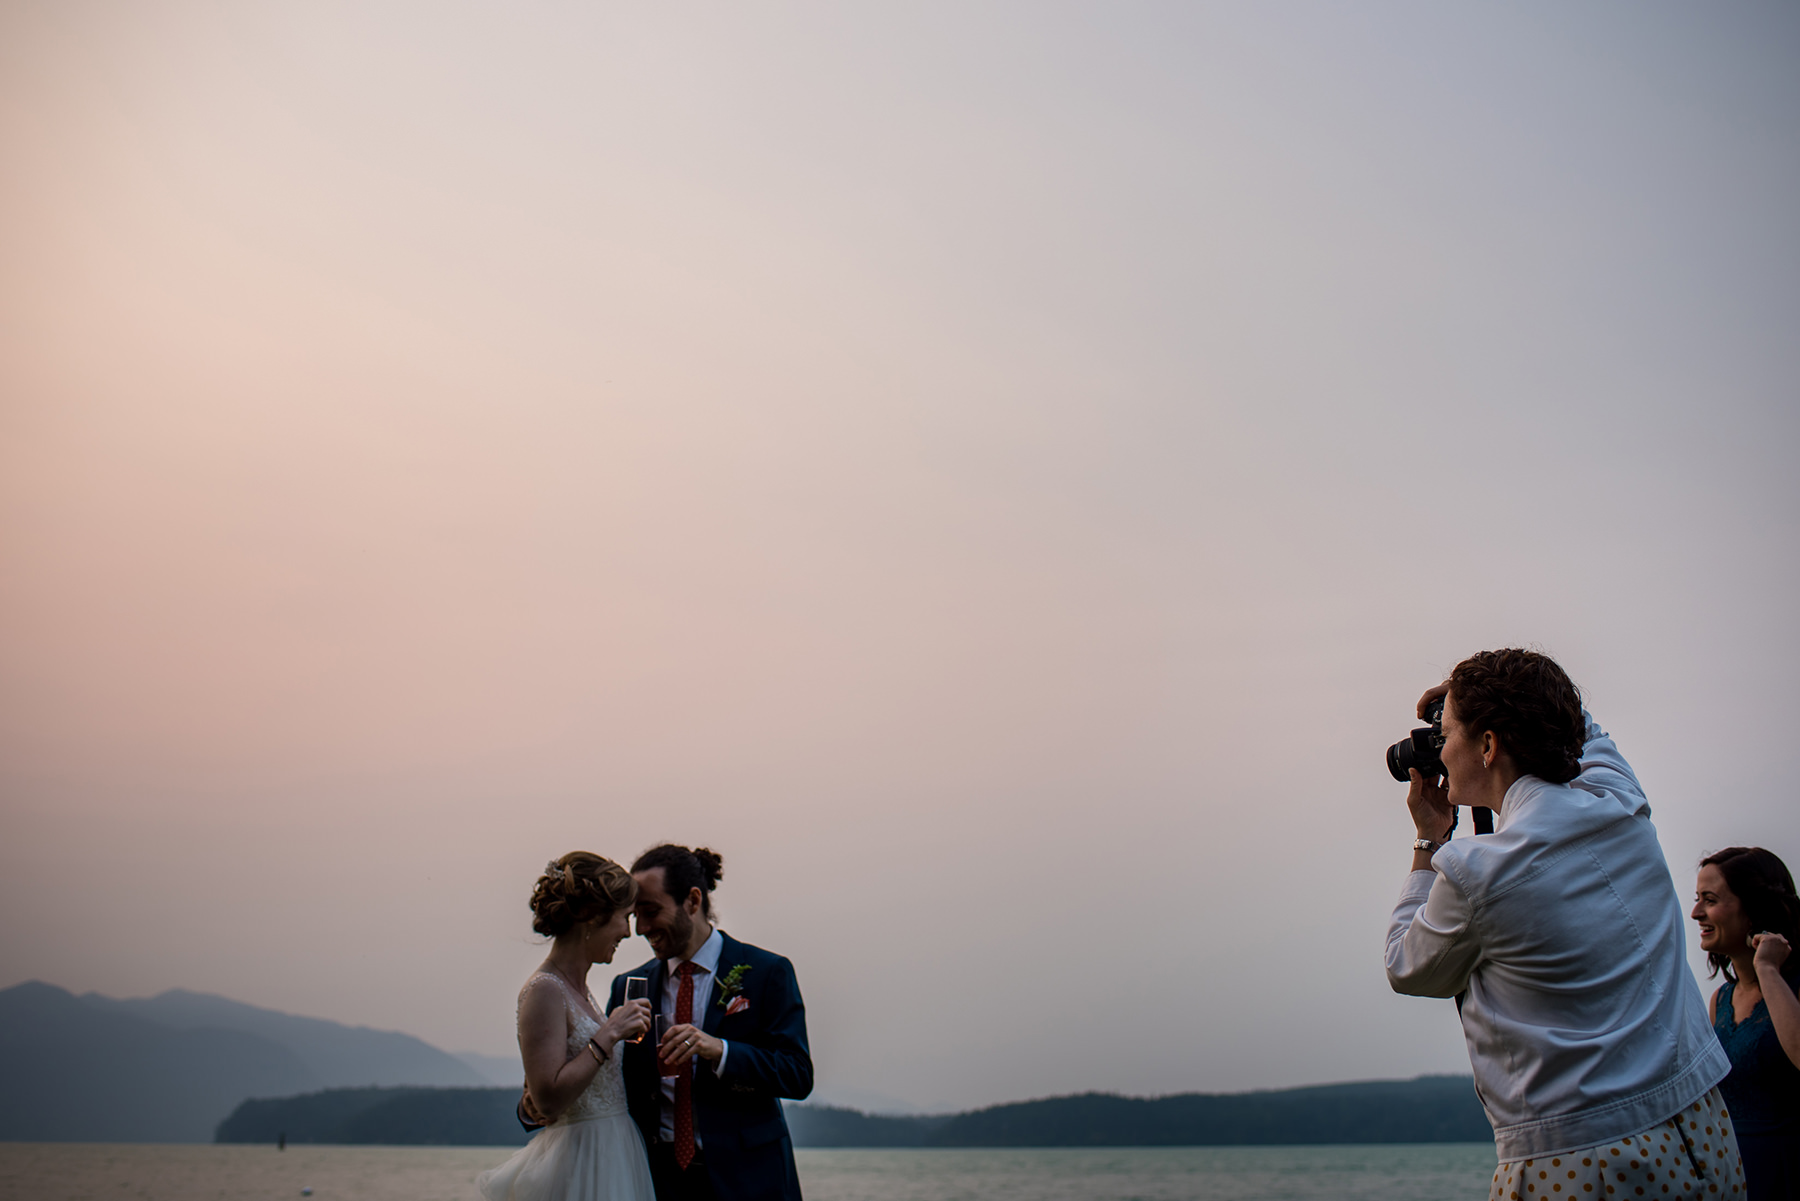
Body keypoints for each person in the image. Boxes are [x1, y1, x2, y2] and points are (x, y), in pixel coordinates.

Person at [1385, 649, 1743, 1201]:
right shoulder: (1618, 798)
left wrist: (1430, 840)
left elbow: (1408, 968)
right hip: (1702, 1124)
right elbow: (1584, 727)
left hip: (1584, 1157)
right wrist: (1469, 692)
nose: (1440, 746)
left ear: (1488, 745)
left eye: (1448, 731)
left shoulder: (1475, 870)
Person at [607, 845, 812, 1201]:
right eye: (634, 915)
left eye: (651, 911)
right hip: (657, 1183)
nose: (641, 928)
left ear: (692, 900)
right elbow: (612, 1080)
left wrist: (721, 1051)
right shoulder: (628, 986)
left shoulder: (767, 972)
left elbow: (797, 1075)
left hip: (750, 1181)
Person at [480, 853, 656, 1201]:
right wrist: (608, 1034)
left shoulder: (584, 992)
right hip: (580, 1159)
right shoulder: (544, 989)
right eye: (624, 918)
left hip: (617, 1149)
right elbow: (546, 1101)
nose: (627, 931)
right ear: (591, 918)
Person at [1692, 847, 1800, 1199]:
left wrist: (1767, 969)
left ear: (1752, 909)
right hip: (1732, 1172)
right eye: (1697, 899)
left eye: (1709, 900)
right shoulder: (1720, 1001)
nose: (1696, 913)